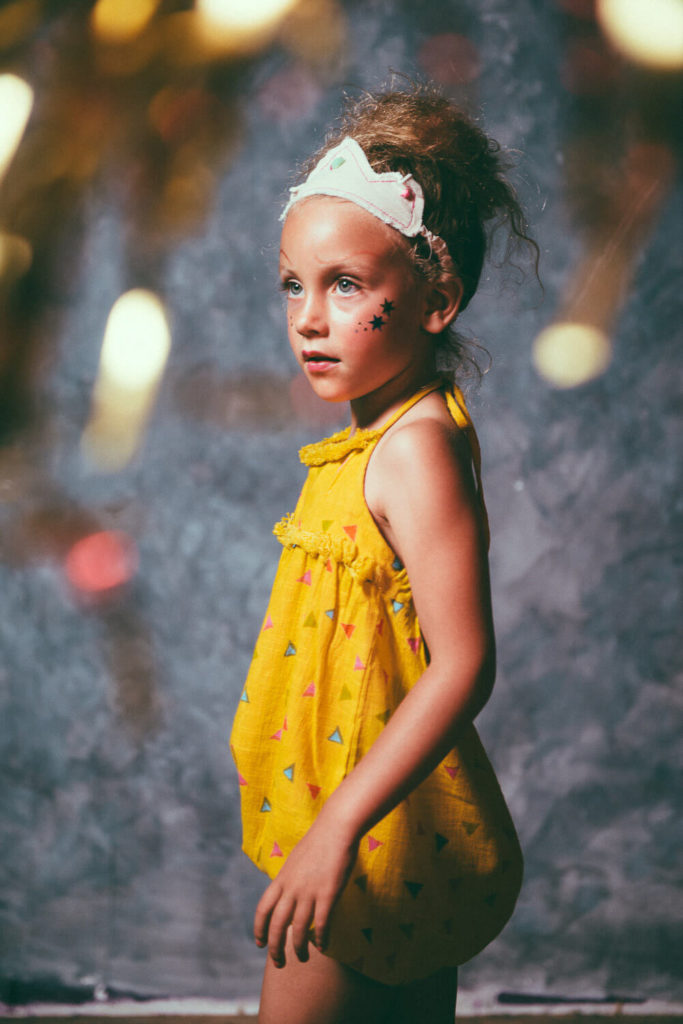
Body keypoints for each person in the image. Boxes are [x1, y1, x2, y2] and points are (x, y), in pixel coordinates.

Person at [230, 84, 536, 1024]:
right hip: (354, 819)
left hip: (370, 835)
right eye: (295, 284)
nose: (309, 318)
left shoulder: (414, 449)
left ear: (435, 299)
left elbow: (463, 664)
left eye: (346, 285)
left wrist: (333, 834)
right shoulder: (374, 437)